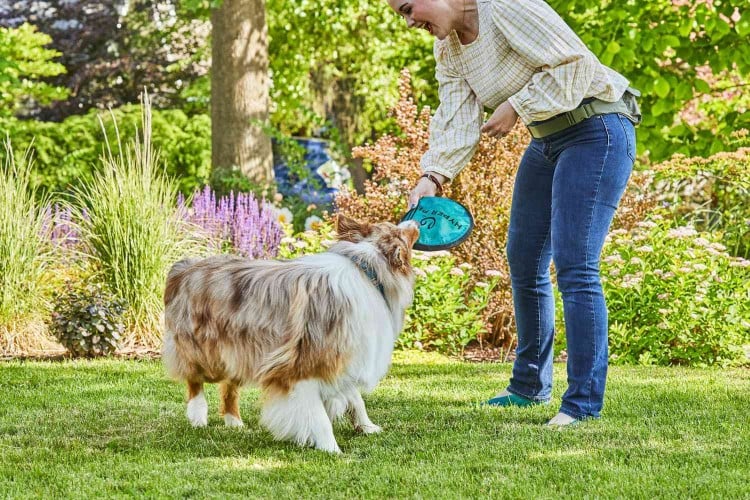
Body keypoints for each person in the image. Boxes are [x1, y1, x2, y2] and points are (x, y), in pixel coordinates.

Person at [387, 0, 640, 426]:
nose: (410, 22)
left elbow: (575, 63)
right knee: (524, 258)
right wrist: (433, 175)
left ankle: (581, 404)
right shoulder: (448, 49)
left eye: (410, 8)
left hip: (597, 128)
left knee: (576, 265)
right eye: (401, 15)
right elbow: (456, 115)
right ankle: (528, 387)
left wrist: (518, 106)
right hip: (547, 138)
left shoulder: (503, 7)